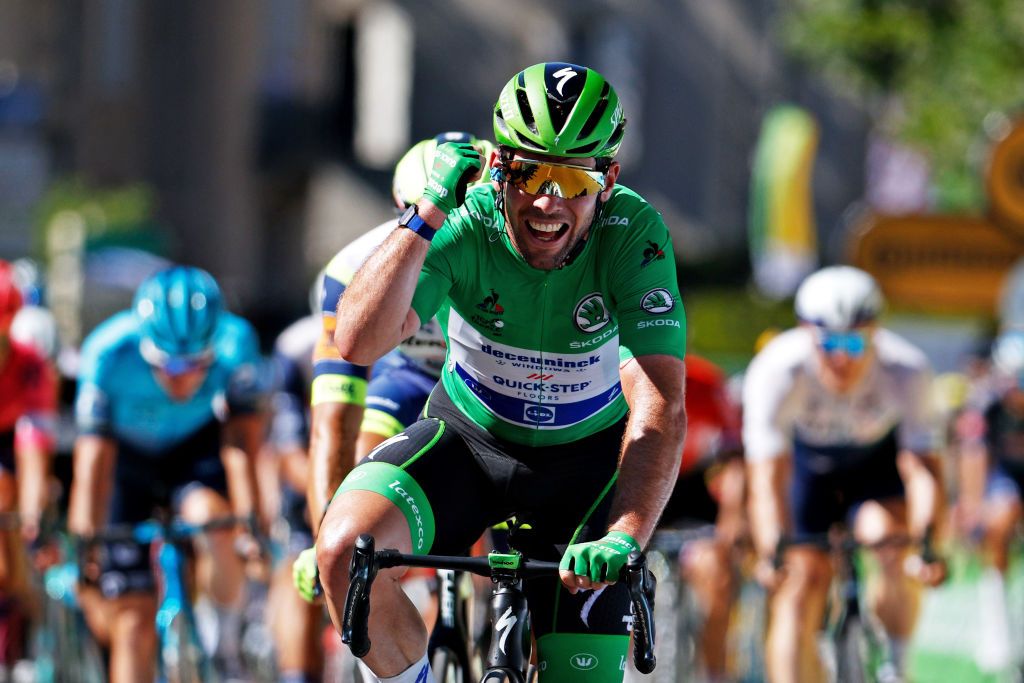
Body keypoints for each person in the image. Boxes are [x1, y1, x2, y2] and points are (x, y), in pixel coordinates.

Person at [317, 61, 688, 683]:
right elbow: (357, 342)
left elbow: (661, 406)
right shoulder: (464, 219)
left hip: (584, 468)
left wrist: (625, 536)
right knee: (343, 553)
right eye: (528, 171)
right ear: (497, 168)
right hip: (468, 442)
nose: (548, 199)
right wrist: (426, 212)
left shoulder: (634, 234)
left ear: (609, 180)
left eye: (574, 176)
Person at [743, 265, 946, 683]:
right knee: (799, 583)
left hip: (874, 466)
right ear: (805, 332)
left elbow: (922, 469)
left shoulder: (906, 368)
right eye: (831, 342)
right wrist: (771, 549)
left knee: (889, 542)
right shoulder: (777, 369)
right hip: (807, 469)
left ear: (876, 333)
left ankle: (896, 666)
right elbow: (767, 477)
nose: (842, 357)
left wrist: (929, 543)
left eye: (856, 342)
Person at [68, 265, 267, 683]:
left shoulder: (237, 342)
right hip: (126, 459)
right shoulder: (107, 351)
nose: (183, 379)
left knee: (213, 519)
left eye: (197, 365)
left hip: (192, 450)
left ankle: (225, 642)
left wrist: (251, 522)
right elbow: (93, 460)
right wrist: (84, 537)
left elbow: (241, 443)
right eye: (168, 366)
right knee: (133, 620)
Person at [657, 353, 744, 682]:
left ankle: (714, 672)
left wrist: (730, 524)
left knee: (717, 572)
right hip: (633, 484)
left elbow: (737, 461)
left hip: (691, 489)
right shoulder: (615, 374)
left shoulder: (706, 381)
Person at [0, 259, 57, 667]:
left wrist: (33, 513)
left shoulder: (32, 366)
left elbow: (34, 447)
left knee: (8, 498)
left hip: (12, 442)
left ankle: (25, 600)